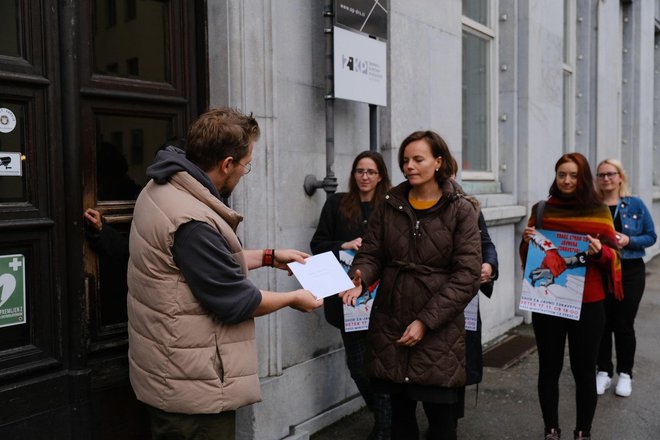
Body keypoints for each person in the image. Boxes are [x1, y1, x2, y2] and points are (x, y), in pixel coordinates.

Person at [126, 107, 322, 439]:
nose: (245, 171)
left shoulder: (164, 188)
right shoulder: (192, 220)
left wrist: (269, 256)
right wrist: (294, 298)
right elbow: (236, 300)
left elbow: (198, 265)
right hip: (191, 390)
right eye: (246, 164)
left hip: (171, 370)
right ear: (226, 164)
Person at [341, 130, 482, 440]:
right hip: (391, 321)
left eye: (418, 159)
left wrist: (424, 322)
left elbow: (466, 275)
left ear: (438, 161)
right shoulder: (389, 203)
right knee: (400, 424)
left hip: (439, 331)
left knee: (442, 425)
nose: (410, 166)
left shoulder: (461, 209)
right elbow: (372, 252)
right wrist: (360, 277)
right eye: (405, 160)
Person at [520, 152, 622, 440]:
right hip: (549, 301)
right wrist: (526, 242)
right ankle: (551, 429)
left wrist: (599, 252)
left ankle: (583, 432)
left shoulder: (599, 210)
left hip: (589, 304)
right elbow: (529, 260)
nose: (566, 180)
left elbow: (615, 256)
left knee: (584, 370)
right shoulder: (541, 209)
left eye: (574, 175)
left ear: (584, 178)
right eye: (562, 174)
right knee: (549, 368)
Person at [310, 151, 392, 440]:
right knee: (359, 368)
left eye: (371, 171)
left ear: (381, 175)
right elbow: (316, 245)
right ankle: (384, 415)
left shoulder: (391, 206)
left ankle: (384, 427)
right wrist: (344, 244)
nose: (364, 176)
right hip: (349, 303)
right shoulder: (337, 204)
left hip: (386, 301)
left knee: (384, 367)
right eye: (360, 171)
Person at [594, 159, 657, 397]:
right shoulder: (593, 206)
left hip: (630, 271)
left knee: (623, 323)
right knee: (601, 322)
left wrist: (629, 241)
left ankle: (625, 374)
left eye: (610, 174)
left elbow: (651, 236)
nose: (606, 179)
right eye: (601, 175)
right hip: (600, 270)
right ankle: (603, 372)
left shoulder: (635, 204)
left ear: (620, 177)